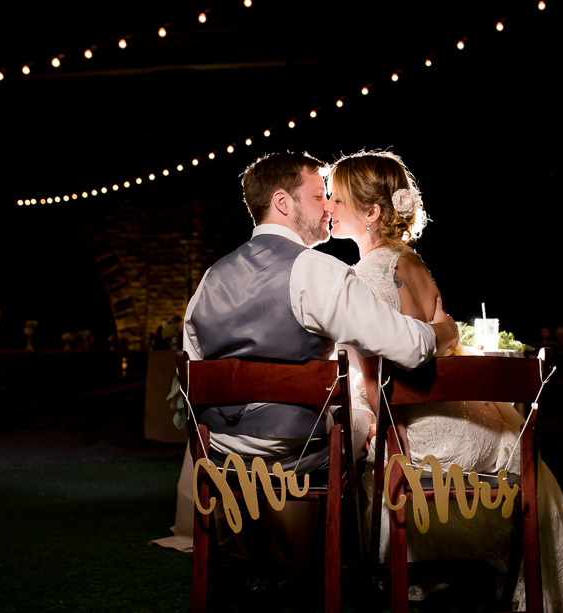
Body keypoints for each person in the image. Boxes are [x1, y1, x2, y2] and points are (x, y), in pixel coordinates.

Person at [329, 150, 563, 612]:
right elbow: (446, 337)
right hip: (488, 433)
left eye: (336, 198)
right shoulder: (416, 264)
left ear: (371, 212)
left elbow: (369, 385)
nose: (328, 207)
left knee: (360, 457)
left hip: (422, 443)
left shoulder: (361, 278)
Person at [152, 152, 460, 560]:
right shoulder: (318, 271)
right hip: (295, 448)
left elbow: (193, 372)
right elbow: (408, 346)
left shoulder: (210, 278)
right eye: (317, 195)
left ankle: (261, 554)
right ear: (283, 203)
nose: (328, 205)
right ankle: (332, 558)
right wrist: (443, 331)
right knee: (360, 423)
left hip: (221, 451)